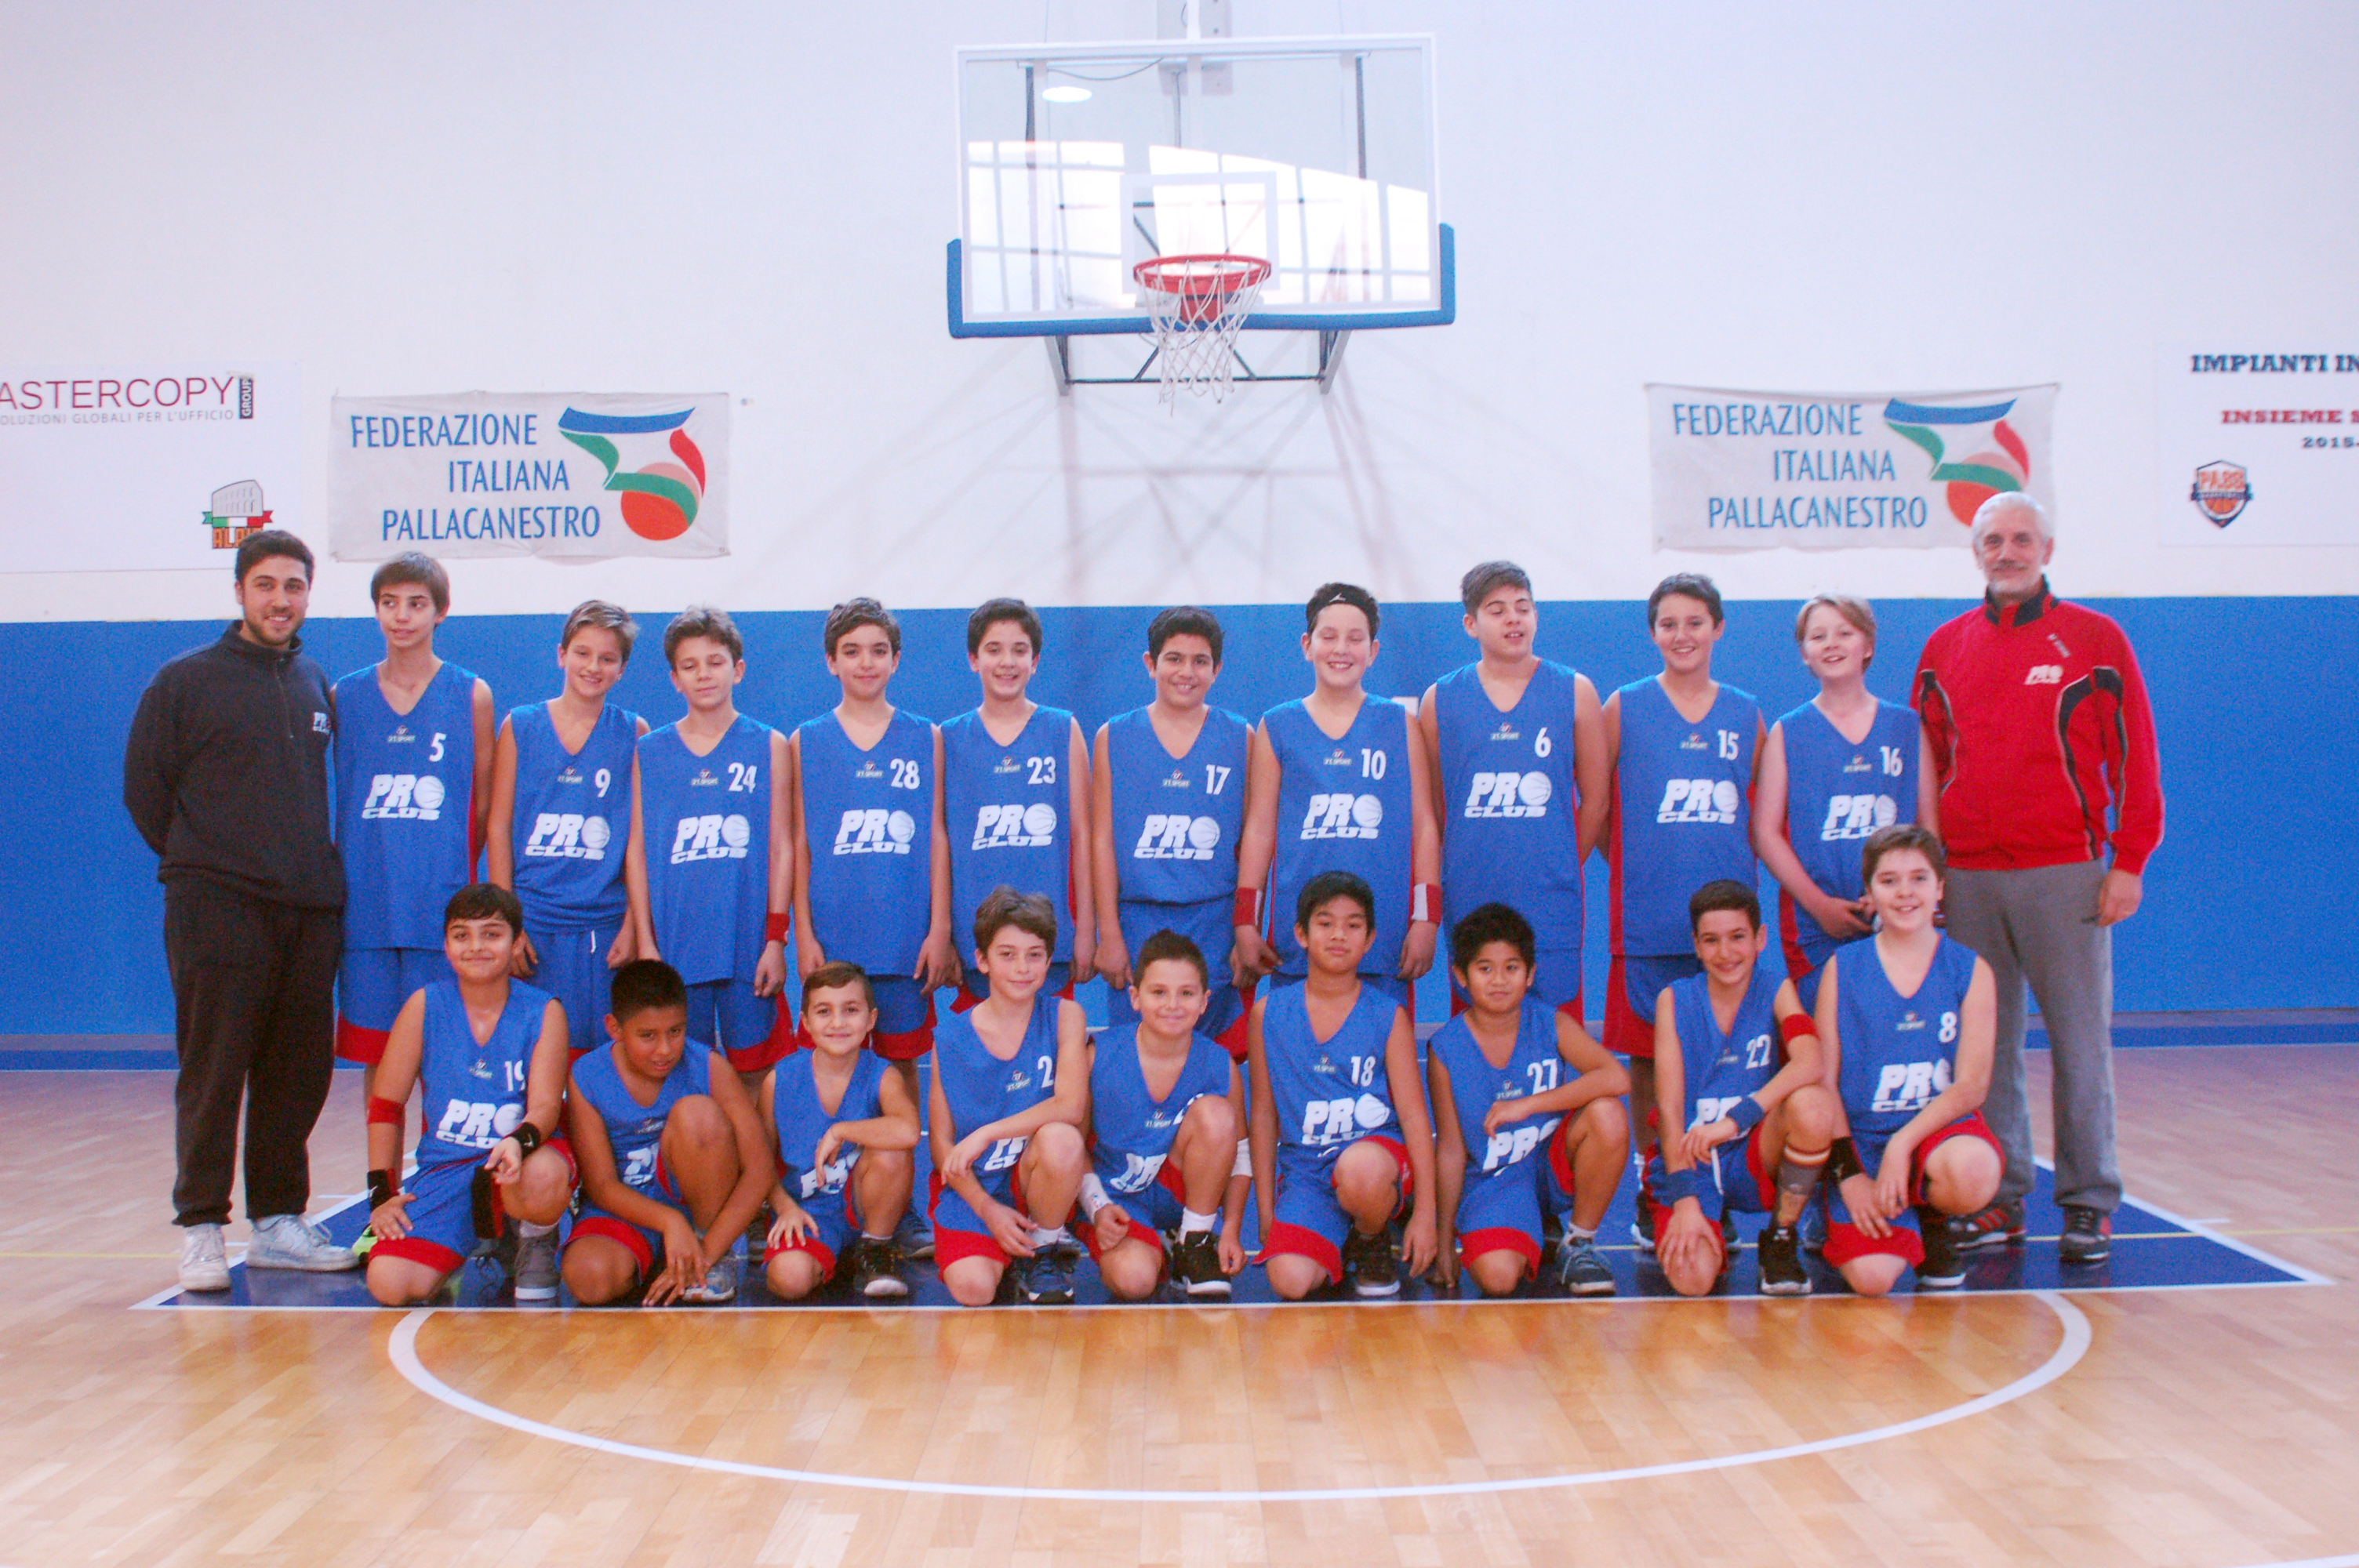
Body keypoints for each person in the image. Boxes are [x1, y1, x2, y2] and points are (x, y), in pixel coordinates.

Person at [1914, 492, 2163, 1265]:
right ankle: (2001, 1192)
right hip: (1969, 878)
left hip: (2066, 874)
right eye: (1993, 540)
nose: (2007, 551)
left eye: (2022, 538)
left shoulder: (2095, 639)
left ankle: (2088, 1199)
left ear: (2046, 549)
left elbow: (2135, 756)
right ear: (1976, 553)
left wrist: (2129, 860)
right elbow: (1929, 768)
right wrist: (1932, 870)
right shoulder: (1943, 647)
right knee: (1983, 1051)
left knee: (2078, 1045)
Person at [123, 529, 358, 1290]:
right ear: (239, 592)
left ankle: (277, 1221)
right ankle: (200, 1225)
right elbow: (145, 790)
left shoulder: (313, 682)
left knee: (296, 1071)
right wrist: (208, 862)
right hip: (217, 907)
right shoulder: (184, 681)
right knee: (215, 1068)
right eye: (266, 585)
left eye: (293, 586)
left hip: (307, 910)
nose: (280, 600)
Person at [788, 597, 955, 1258]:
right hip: (835, 936)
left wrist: (939, 927)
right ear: (831, 661)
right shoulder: (806, 740)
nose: (866, 662)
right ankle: (813, 1195)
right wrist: (803, 932)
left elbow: (936, 835)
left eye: (878, 651)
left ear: (896, 659)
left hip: (905, 936)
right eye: (852, 651)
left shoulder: (924, 736)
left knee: (903, 1070)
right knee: (831, 1066)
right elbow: (800, 844)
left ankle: (903, 1208)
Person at [1601, 573, 1765, 1247]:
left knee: (1721, 1060)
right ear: (1652, 633)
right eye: (1668, 624)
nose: (1682, 635)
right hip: (1649, 918)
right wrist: (1637, 864)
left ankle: (1716, 1181)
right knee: (1647, 1061)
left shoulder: (1746, 714)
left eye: (1695, 622)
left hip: (1726, 929)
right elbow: (1600, 809)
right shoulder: (1624, 707)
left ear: (1718, 627)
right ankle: (1656, 1181)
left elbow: (1762, 814)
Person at [331, 555, 494, 1106]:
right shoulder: (345, 696)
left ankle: (439, 1160)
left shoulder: (471, 694)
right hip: (368, 905)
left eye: (416, 604)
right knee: (380, 1058)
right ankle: (382, 1163)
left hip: (439, 907)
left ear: (440, 612)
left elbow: (482, 806)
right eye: (390, 603)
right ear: (376, 610)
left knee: (444, 1053)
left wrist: (445, 869)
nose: (402, 616)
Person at [1814, 826, 2003, 1297]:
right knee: (1873, 1280)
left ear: (1940, 888)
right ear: (1869, 893)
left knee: (1973, 1171)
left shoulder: (1970, 969)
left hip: (1934, 1136)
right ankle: (1838, 1206)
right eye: (1889, 881)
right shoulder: (1843, 968)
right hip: (1862, 1142)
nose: (1905, 893)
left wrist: (1903, 1143)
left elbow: (1972, 1086)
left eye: (1919, 878)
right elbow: (1824, 1083)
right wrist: (1850, 1175)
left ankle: (1931, 1216)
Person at [362, 884, 572, 1305]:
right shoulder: (424, 1006)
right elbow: (386, 1106)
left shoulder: (544, 1010)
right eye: (462, 935)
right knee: (389, 1284)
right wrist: (382, 1196)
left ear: (517, 942)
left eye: (491, 934)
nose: (476, 946)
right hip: (447, 1169)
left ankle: (529, 1241)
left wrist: (519, 1142)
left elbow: (547, 1106)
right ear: (446, 945)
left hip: (518, 1161)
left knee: (543, 1173)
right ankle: (459, 1250)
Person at [1235, 583, 1441, 1007]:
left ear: (1373, 650)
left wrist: (1426, 918)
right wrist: (1245, 922)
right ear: (1307, 645)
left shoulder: (1401, 725)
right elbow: (1259, 830)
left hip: (1383, 939)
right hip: (1299, 941)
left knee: (1386, 1049)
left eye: (1355, 638)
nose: (1341, 649)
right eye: (1329, 636)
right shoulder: (1278, 725)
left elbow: (1424, 826)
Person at [1417, 562, 1606, 1020]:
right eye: (1497, 610)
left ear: (1536, 615)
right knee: (1478, 1033)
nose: (1513, 619)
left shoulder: (1575, 691)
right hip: (1472, 892)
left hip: (1550, 898)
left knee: (1558, 1031)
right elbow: (1438, 808)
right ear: (1471, 623)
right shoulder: (1440, 699)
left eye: (1522, 607)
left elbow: (1597, 801)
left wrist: (1558, 860)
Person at [1248, 871, 1438, 1300]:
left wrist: (1426, 1213)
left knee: (1360, 1172)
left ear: (1369, 940)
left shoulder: (1388, 1015)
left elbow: (1414, 1118)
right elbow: (1262, 1113)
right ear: (1301, 934)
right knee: (1290, 1280)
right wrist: (1266, 1211)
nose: (1339, 935)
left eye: (1353, 925)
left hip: (1374, 1159)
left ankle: (1372, 1235)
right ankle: (1340, 1235)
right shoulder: (1268, 1014)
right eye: (1325, 923)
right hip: (1308, 1170)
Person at [1645, 880, 1840, 1298]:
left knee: (1813, 1106)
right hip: (1692, 1157)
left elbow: (1811, 1061)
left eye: (1737, 937)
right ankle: (1691, 1211)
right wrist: (1685, 1200)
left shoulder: (1776, 988)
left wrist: (1736, 1120)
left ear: (1760, 939)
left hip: (1753, 1148)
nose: (1726, 953)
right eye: (1711, 940)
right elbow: (1670, 1110)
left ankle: (1781, 1237)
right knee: (1693, 1280)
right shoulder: (1673, 1000)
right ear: (1696, 946)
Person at [1427, 902, 1628, 1298]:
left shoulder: (1551, 1023)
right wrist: (1444, 1239)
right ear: (1460, 976)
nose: (1499, 980)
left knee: (1607, 1114)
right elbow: (1450, 1150)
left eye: (1512, 967)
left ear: (1530, 973)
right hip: (1495, 1183)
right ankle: (1524, 1230)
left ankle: (1578, 1244)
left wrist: (1528, 1105)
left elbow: (1615, 1077)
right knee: (1498, 1278)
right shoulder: (1446, 1048)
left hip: (1548, 1169)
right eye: (1485, 968)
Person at [625, 606, 791, 1078]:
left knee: (757, 1075)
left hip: (747, 946)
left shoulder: (770, 745)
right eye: (690, 665)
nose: (704, 674)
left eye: (715, 662)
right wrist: (645, 941)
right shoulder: (649, 752)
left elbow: (782, 849)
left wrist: (775, 940)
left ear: (737, 669)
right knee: (682, 1077)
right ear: (674, 679)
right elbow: (637, 851)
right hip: (676, 946)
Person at [1754, 594, 1936, 1013]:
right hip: (1816, 924)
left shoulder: (1906, 727)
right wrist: (1818, 906)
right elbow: (1766, 834)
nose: (1832, 644)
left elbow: (1928, 827)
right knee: (1828, 1035)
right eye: (1818, 636)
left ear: (1868, 644)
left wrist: (1896, 891)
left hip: (1898, 910)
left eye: (1845, 633)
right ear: (1805, 653)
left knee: (1896, 1031)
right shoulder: (1788, 732)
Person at [1091, 605, 1255, 1055]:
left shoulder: (1240, 736)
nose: (1186, 672)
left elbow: (1254, 840)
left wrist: (1246, 926)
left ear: (1217, 669)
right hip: (1138, 920)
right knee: (1138, 1056)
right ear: (1151, 664)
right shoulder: (1113, 737)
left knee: (1216, 1058)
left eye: (1200, 661)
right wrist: (1109, 933)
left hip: (1215, 921)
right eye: (1174, 658)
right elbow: (1102, 842)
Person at [486, 601, 646, 1056]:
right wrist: (506, 924)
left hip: (604, 922)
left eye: (607, 658)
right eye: (582, 653)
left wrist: (633, 925)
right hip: (534, 920)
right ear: (561, 655)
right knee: (537, 1053)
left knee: (603, 1057)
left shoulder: (634, 732)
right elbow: (498, 828)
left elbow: (638, 840)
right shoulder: (521, 726)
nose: (593, 667)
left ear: (622, 669)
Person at [562, 959, 772, 1305]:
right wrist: (669, 1222)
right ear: (615, 1028)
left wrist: (707, 1250)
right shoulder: (587, 1075)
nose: (664, 1049)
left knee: (697, 1115)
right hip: (629, 1209)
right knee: (589, 1279)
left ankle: (711, 1259)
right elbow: (601, 1185)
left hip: (700, 1210)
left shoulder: (709, 1066)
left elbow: (760, 1170)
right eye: (648, 1035)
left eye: (675, 1031)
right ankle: (658, 1259)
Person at [927, 889, 1092, 1306]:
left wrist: (987, 1133)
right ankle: (1001, 1248)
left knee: (1062, 1138)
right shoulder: (950, 1037)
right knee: (973, 1290)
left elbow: (1070, 1106)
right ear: (982, 960)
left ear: (1049, 961)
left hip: (1036, 1177)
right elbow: (941, 1146)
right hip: (978, 1186)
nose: (1022, 968)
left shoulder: (1065, 1016)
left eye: (1035, 955)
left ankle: (1043, 1248)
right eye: (1007, 954)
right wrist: (986, 1209)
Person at [1081, 931, 1249, 1301]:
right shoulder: (1097, 1056)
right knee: (1135, 1281)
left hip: (1177, 1186)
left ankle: (1194, 1240)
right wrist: (1097, 1208)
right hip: (1116, 1197)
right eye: (1159, 992)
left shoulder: (1219, 1063)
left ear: (1204, 1002)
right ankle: (1151, 1248)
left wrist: (1232, 1229)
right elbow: (1072, 1146)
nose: (1172, 1005)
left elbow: (1240, 1154)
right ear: (1134, 997)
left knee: (1217, 1115)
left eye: (1186, 994)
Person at [941, 598, 1094, 1005]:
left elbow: (1083, 836)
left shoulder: (1063, 730)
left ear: (1035, 660)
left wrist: (1086, 927)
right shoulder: (948, 738)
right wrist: (943, 934)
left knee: (1054, 1041)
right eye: (994, 649)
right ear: (974, 659)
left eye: (1019, 650)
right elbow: (940, 844)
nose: (1007, 662)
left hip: (1051, 937)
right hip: (975, 940)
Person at [760, 963, 919, 1301]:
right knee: (789, 1281)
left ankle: (875, 1248)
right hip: (807, 1212)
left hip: (863, 1205)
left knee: (891, 1147)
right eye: (824, 1011)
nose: (838, 1023)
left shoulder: (882, 1074)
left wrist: (842, 1131)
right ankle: (830, 1258)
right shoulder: (780, 1080)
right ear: (805, 1023)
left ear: (871, 1019)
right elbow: (758, 1163)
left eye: (850, 1010)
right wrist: (784, 1207)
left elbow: (908, 1130)